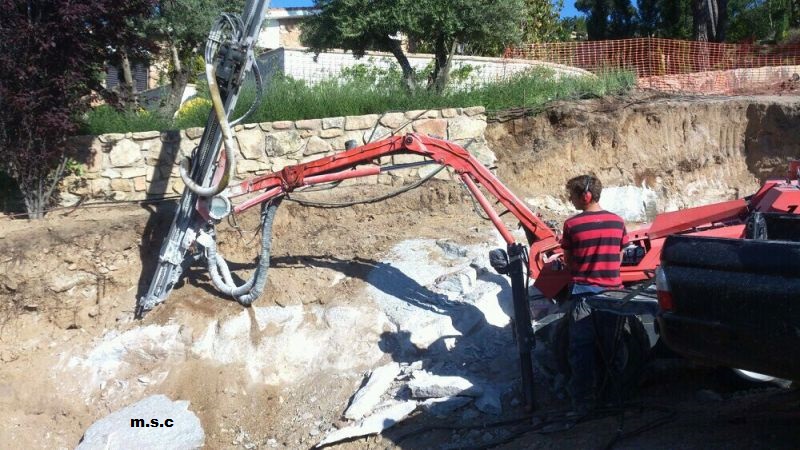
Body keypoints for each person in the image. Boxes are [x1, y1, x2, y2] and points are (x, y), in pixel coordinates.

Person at [560, 174, 629, 416]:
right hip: (614, 295)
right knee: (614, 348)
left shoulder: (571, 225)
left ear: (585, 196)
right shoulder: (618, 222)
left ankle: (584, 404)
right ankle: (615, 399)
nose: (570, 200)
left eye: (572, 195)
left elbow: (568, 261)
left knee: (581, 351)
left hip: (584, 296)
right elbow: (619, 257)